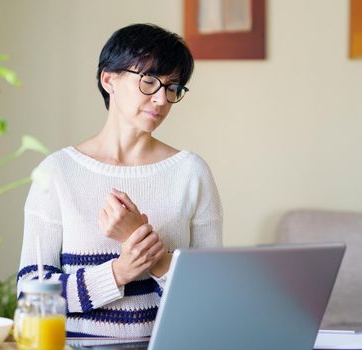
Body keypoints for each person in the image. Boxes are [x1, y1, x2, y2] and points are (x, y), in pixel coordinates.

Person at [17, 23, 223, 338]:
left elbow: (210, 299)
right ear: (109, 79)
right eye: (149, 81)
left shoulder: (191, 173)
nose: (162, 99)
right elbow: (31, 295)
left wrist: (145, 249)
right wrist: (118, 272)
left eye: (172, 87)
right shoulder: (57, 172)